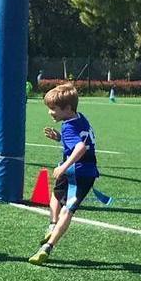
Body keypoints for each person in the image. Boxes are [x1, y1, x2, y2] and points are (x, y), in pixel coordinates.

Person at [29, 83, 100, 266]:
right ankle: (51, 231)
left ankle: (49, 244)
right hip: (86, 172)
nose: (50, 112)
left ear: (67, 108)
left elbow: (81, 147)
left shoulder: (68, 127)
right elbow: (82, 140)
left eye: (53, 109)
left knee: (65, 209)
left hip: (78, 172)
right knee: (58, 199)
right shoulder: (80, 118)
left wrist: (64, 166)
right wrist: (59, 138)